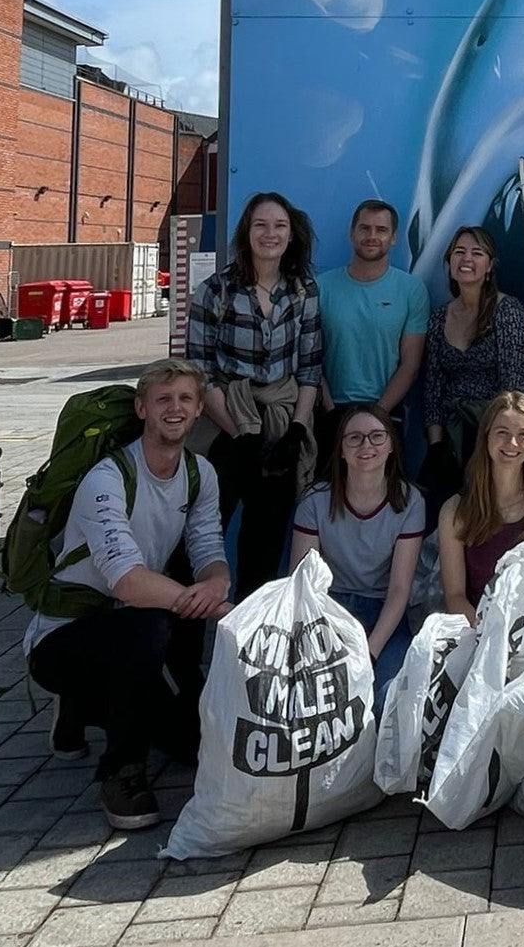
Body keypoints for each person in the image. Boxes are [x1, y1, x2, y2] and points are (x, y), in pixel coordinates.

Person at [23, 359, 231, 831]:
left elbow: (208, 549)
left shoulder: (200, 473)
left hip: (127, 632)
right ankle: (122, 772)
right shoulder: (107, 478)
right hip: (63, 637)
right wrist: (219, 606)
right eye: (163, 399)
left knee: (190, 746)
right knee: (150, 625)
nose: (174, 409)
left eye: (184, 399)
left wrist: (216, 582)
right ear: (141, 408)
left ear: (199, 408)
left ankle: (83, 708)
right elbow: (128, 582)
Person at [186, 191, 323, 598]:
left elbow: (310, 369)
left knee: (263, 546)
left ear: (291, 234)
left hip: (282, 424)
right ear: (246, 233)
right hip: (225, 421)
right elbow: (201, 370)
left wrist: (297, 431)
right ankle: (188, 641)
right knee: (205, 536)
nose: (270, 234)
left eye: (279, 226)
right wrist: (240, 433)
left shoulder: (303, 292)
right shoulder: (215, 291)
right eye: (261, 225)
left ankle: (248, 641)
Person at [290, 405, 425, 705]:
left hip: (384, 614)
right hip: (329, 610)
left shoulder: (409, 501)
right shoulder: (315, 501)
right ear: (340, 449)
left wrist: (369, 652)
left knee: (382, 697)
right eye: (355, 438)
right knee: (317, 696)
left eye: (377, 436)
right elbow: (302, 585)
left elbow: (400, 589)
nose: (366, 445)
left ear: (391, 445)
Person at [437, 392, 524, 627]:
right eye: (503, 433)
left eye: (523, 435)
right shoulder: (454, 510)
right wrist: (487, 637)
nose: (512, 443)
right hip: (477, 630)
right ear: (486, 435)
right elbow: (455, 595)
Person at [314, 199, 429, 476]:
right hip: (331, 414)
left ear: (393, 238)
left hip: (388, 415)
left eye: (381, 230)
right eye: (365, 228)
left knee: (386, 507)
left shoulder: (412, 290)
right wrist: (331, 411)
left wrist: (377, 415)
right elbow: (310, 357)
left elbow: (410, 364)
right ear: (352, 233)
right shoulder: (320, 287)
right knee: (329, 506)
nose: (372, 236)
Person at [420, 226, 524, 509]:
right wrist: (436, 447)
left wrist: (497, 443)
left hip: (495, 437)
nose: (466, 259)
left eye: (476, 253)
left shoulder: (508, 311)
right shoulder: (439, 317)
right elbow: (432, 386)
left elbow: (514, 389)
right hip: (450, 441)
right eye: (459, 252)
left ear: (489, 265)